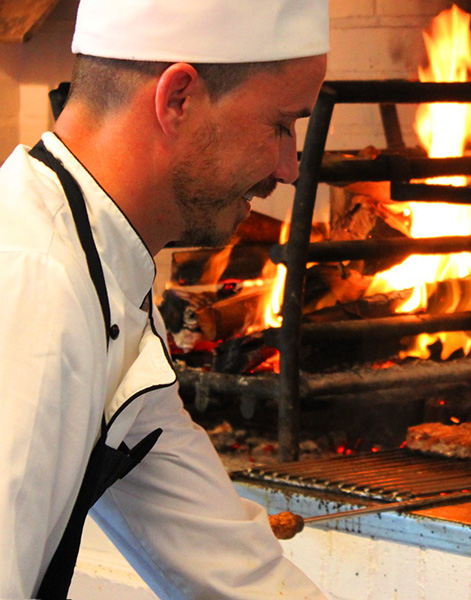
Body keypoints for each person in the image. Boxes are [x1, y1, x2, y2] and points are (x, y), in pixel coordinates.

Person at [0, 1, 329, 598]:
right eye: (281, 125)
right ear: (178, 99)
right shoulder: (33, 281)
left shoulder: (105, 271)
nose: (288, 168)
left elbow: (230, 567)